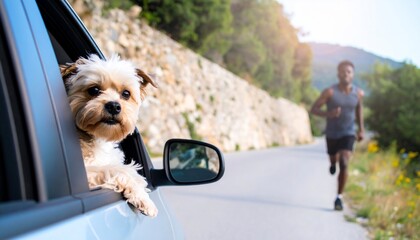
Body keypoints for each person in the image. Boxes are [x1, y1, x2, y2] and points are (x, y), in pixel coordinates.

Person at [310, 60, 364, 211]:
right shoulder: (330, 92)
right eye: (343, 71)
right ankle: (332, 163)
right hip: (332, 133)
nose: (345, 74)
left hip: (348, 132)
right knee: (334, 157)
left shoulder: (358, 93)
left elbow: (359, 109)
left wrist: (361, 129)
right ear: (338, 73)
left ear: (352, 75)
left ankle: (338, 197)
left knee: (345, 162)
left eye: (349, 72)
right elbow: (313, 109)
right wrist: (329, 114)